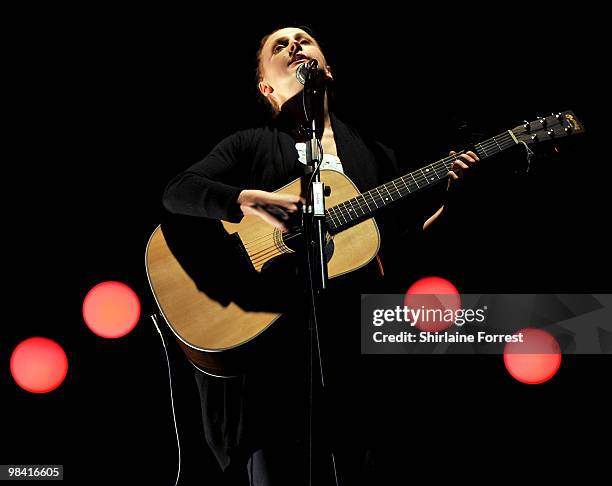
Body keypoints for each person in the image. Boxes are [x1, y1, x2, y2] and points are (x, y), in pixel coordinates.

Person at [162, 26, 479, 486]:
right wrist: (249, 202)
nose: (294, 46)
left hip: (354, 366)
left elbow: (391, 251)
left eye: (303, 40)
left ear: (326, 69)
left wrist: (451, 208)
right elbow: (178, 192)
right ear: (265, 88)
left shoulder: (373, 155)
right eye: (279, 46)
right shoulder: (250, 144)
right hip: (273, 371)